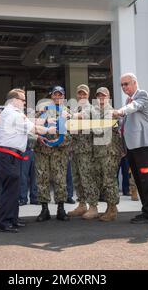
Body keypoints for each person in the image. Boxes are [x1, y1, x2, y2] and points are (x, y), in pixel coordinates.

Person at [0, 88, 55, 233]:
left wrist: (45, 121)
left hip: (12, 156)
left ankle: (13, 218)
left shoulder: (13, 113)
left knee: (14, 190)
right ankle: (5, 222)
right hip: (8, 156)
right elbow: (33, 127)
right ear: (14, 100)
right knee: (10, 191)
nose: (24, 103)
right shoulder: (12, 113)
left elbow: (28, 125)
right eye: (22, 100)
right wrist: (48, 130)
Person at [112, 73, 148, 224]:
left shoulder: (141, 96)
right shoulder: (128, 100)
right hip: (134, 146)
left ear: (134, 83)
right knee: (139, 180)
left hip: (145, 145)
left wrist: (120, 111)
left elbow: (134, 107)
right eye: (122, 85)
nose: (124, 87)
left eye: (126, 84)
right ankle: (147, 211)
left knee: (147, 180)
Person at [35, 86, 72, 223]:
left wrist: (59, 141)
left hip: (59, 152)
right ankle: (44, 209)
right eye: (55, 95)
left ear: (63, 97)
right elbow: (35, 128)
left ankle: (61, 209)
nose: (57, 97)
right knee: (42, 179)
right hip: (42, 151)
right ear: (51, 96)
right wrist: (40, 137)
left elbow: (72, 134)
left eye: (60, 95)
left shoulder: (68, 113)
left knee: (60, 179)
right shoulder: (42, 111)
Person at [92, 87, 126, 221]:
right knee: (103, 181)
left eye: (104, 95)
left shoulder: (112, 112)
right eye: (99, 95)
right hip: (99, 152)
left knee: (109, 180)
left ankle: (112, 208)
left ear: (108, 97)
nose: (101, 97)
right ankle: (110, 207)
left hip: (110, 152)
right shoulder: (95, 112)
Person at [68, 84, 94, 218]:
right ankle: (82, 204)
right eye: (80, 93)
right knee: (77, 179)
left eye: (84, 94)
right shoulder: (75, 109)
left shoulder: (91, 108)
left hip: (86, 151)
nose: (82, 96)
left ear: (88, 95)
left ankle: (93, 206)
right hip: (75, 150)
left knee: (87, 178)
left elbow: (82, 116)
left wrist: (70, 115)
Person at [19, 135, 38, 206]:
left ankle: (34, 198)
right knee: (23, 176)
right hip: (25, 151)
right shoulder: (22, 124)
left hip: (36, 151)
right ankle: (23, 198)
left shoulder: (37, 125)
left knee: (35, 176)